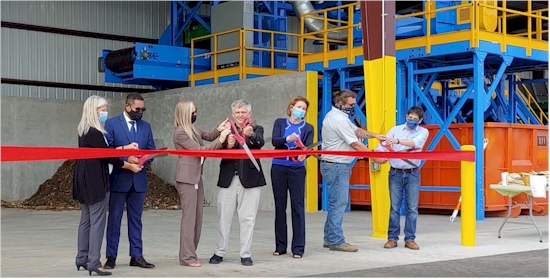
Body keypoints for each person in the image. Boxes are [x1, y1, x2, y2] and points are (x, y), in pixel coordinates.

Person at [73, 95, 142, 276]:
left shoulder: (83, 130)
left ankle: (82, 257)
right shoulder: (96, 132)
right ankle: (94, 262)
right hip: (95, 178)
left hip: (83, 176)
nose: (105, 113)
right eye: (102, 110)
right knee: (97, 220)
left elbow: (105, 151)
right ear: (93, 111)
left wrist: (124, 148)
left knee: (86, 219)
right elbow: (108, 156)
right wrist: (129, 165)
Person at [320, 89, 386, 252]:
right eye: (350, 104)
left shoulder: (339, 117)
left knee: (336, 202)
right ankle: (336, 240)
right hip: (337, 165)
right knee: (338, 203)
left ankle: (329, 238)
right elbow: (355, 143)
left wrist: (376, 135)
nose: (353, 107)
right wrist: (374, 156)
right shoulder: (338, 120)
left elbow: (357, 131)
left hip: (334, 165)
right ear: (341, 103)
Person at [172, 100, 232, 267]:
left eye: (195, 111)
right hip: (187, 177)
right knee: (189, 218)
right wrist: (221, 140)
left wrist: (218, 130)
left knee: (197, 217)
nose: (195, 114)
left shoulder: (193, 128)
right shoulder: (181, 132)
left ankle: (191, 253)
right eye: (192, 112)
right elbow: (200, 150)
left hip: (196, 176)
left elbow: (207, 136)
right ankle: (186, 257)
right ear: (185, 114)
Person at [209, 99, 266, 267]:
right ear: (233, 114)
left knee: (248, 219)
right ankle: (219, 251)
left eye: (243, 112)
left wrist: (251, 135)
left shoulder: (256, 129)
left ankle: (245, 254)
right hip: (228, 179)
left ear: (249, 114)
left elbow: (260, 142)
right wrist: (228, 144)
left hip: (250, 180)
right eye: (237, 113)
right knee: (223, 217)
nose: (240, 115)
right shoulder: (227, 129)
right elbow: (219, 149)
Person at [103, 93, 157, 269]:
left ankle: (137, 255)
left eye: (143, 109)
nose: (140, 112)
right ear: (127, 107)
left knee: (136, 220)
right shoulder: (111, 124)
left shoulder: (146, 127)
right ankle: (111, 256)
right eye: (137, 109)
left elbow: (151, 150)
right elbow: (108, 151)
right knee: (114, 219)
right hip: (119, 178)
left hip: (139, 179)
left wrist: (142, 160)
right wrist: (128, 158)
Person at [373, 106, 429, 250]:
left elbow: (416, 143)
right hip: (395, 172)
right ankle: (392, 238)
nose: (411, 120)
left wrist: (397, 141)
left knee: (412, 208)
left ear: (420, 120)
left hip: (413, 173)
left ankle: (410, 239)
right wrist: (378, 157)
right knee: (394, 208)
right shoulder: (394, 130)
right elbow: (382, 148)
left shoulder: (423, 132)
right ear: (406, 116)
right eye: (409, 118)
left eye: (415, 119)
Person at [270, 96, 314, 258]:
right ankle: (280, 246)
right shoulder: (280, 123)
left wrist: (304, 156)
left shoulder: (308, 127)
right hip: (279, 167)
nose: (301, 110)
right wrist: (287, 139)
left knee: (298, 207)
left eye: (304, 109)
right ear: (291, 107)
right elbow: (275, 141)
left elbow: (308, 147)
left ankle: (298, 248)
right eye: (299, 107)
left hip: (297, 169)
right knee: (280, 207)